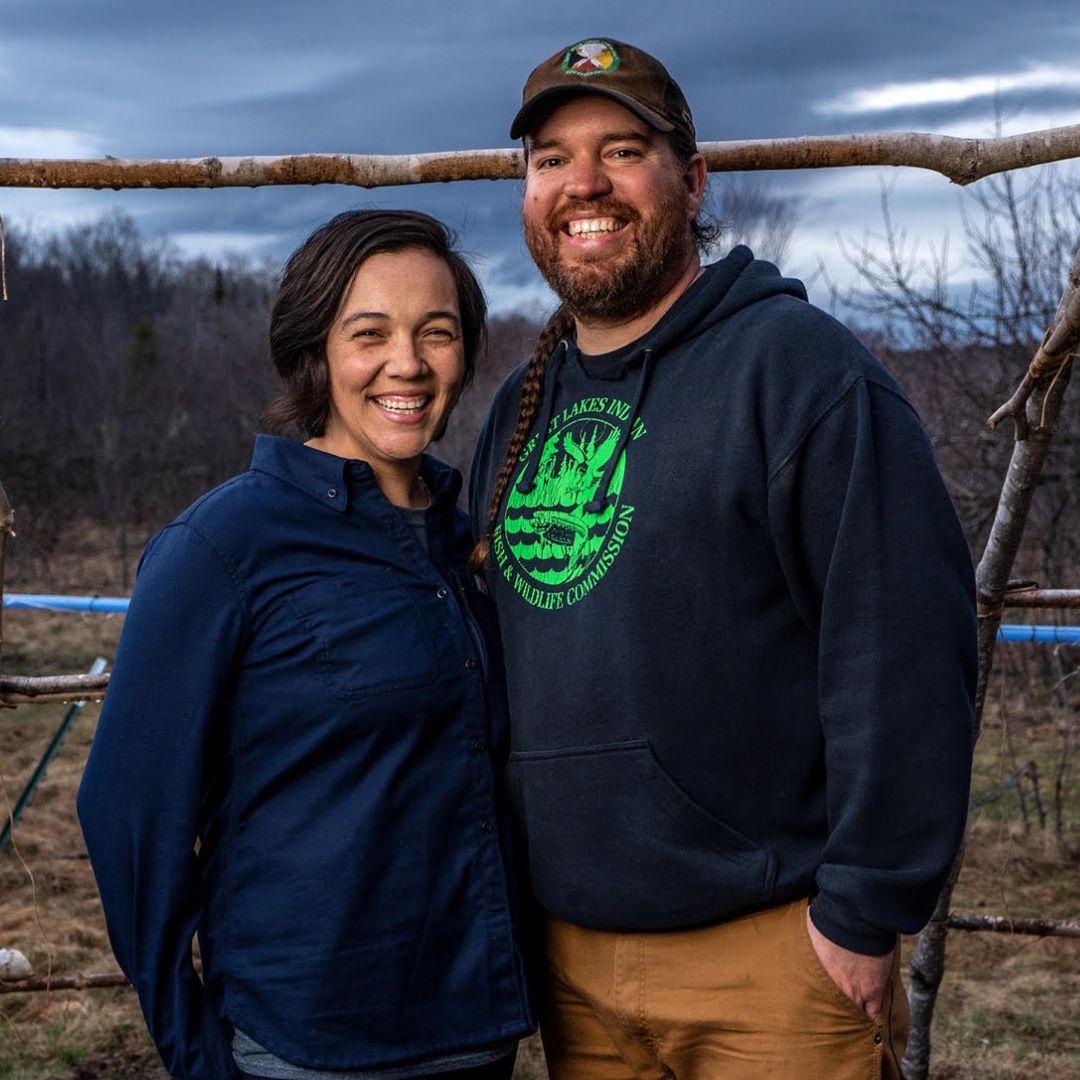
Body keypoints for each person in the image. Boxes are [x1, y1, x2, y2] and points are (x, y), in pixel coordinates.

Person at [469, 38, 977, 1080]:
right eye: (551, 160)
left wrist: (864, 911)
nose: (584, 186)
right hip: (574, 964)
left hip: (772, 962)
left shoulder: (801, 375)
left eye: (622, 150)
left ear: (693, 181)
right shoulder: (517, 413)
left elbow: (905, 654)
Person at [77, 210, 533, 1080]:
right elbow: (129, 815)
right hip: (309, 1045)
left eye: (436, 333)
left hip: (476, 1033)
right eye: (370, 334)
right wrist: (194, 1051)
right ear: (314, 352)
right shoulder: (226, 545)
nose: (407, 362)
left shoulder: (471, 542)